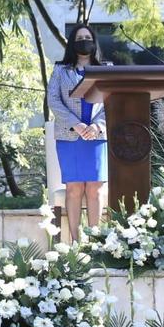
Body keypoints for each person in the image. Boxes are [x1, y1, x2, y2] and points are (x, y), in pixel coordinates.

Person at [47, 23, 109, 241]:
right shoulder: (60, 71)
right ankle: (75, 241)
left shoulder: (106, 69)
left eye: (88, 37)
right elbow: (53, 100)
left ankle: (95, 241)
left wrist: (96, 126)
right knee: (74, 189)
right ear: (73, 43)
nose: (84, 41)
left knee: (95, 189)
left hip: (97, 136)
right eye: (79, 38)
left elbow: (113, 101)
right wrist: (77, 124)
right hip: (70, 136)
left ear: (94, 42)